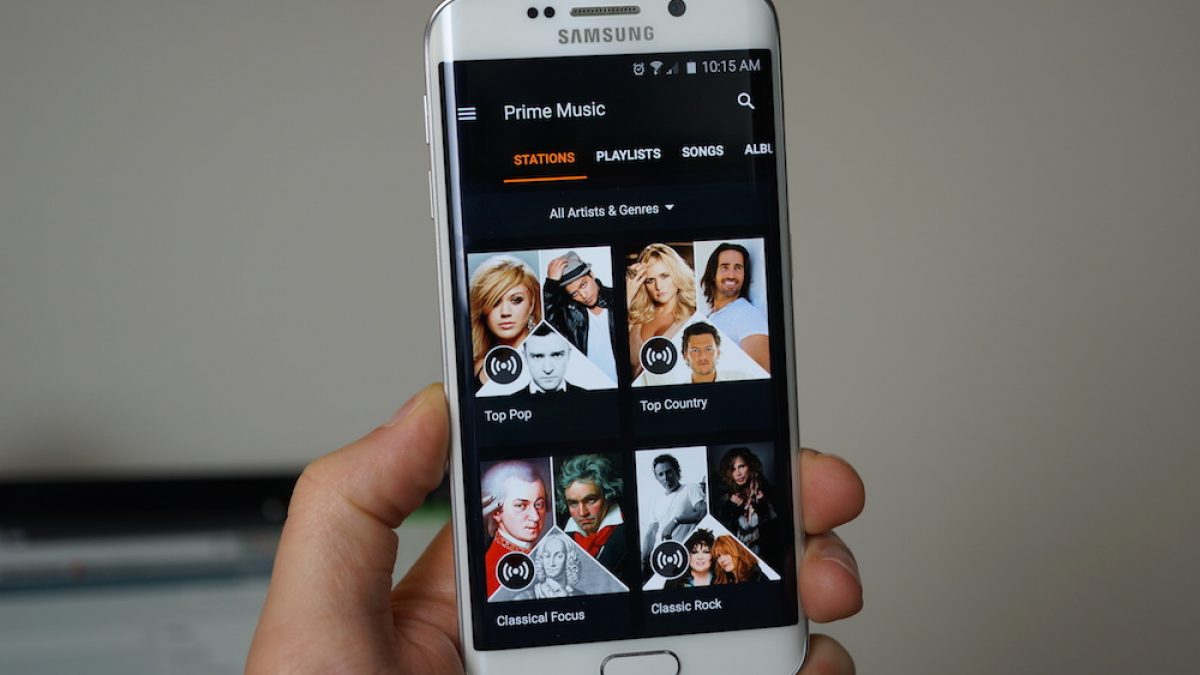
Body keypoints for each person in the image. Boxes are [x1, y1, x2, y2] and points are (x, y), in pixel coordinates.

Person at [247, 384, 865, 673]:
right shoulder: (494, 577)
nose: (549, 514)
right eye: (540, 504)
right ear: (495, 511)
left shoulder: (666, 521)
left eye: (551, 503)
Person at [543, 251, 618, 384]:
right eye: (574, 293)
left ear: (592, 275)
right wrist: (550, 286)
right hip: (590, 384)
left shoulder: (616, 298)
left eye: (583, 285)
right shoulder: (569, 314)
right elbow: (548, 328)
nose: (583, 295)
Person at [469, 255, 542, 390]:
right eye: (495, 302)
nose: (505, 312)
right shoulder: (473, 368)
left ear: (531, 304)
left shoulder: (552, 359)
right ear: (483, 309)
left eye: (516, 300)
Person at [626, 243, 697, 379]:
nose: (658, 286)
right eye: (650, 280)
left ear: (677, 275)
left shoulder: (693, 317)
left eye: (664, 276)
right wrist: (628, 295)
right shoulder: (635, 319)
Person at [479, 460, 547, 596]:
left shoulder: (547, 554)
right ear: (497, 512)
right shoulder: (488, 568)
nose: (535, 517)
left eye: (539, 504)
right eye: (520, 506)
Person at [701, 243, 770, 373]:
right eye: (725, 267)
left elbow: (761, 373)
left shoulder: (747, 314)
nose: (731, 275)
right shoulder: (710, 316)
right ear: (713, 273)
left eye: (738, 268)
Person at [557, 454, 626, 576]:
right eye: (573, 503)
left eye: (590, 500)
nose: (582, 513)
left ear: (608, 495)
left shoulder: (630, 531)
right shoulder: (559, 538)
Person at [641, 454, 706, 574]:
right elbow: (651, 533)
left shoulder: (690, 488)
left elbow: (703, 513)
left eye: (668, 472)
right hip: (659, 560)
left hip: (683, 557)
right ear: (657, 477)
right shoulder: (657, 501)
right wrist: (643, 561)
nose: (665, 478)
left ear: (676, 471)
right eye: (661, 474)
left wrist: (676, 520)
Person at [715, 446, 779, 564]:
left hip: (765, 560)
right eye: (733, 469)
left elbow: (776, 529)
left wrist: (762, 503)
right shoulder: (726, 497)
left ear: (750, 466)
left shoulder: (765, 492)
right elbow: (720, 531)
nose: (738, 473)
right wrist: (731, 507)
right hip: (736, 559)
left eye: (741, 467)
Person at [679, 322, 754, 384]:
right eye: (695, 350)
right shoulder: (679, 393)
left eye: (709, 349)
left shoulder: (742, 380)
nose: (702, 356)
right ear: (685, 355)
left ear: (718, 352)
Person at [515, 533, 581, 599]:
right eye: (547, 556)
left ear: (568, 559)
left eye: (559, 556)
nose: (552, 563)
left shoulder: (579, 595)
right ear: (541, 559)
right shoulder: (523, 597)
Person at [520, 323, 576, 394]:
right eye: (538, 356)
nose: (548, 369)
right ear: (525, 357)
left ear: (568, 354)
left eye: (557, 355)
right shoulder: (507, 401)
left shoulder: (589, 398)